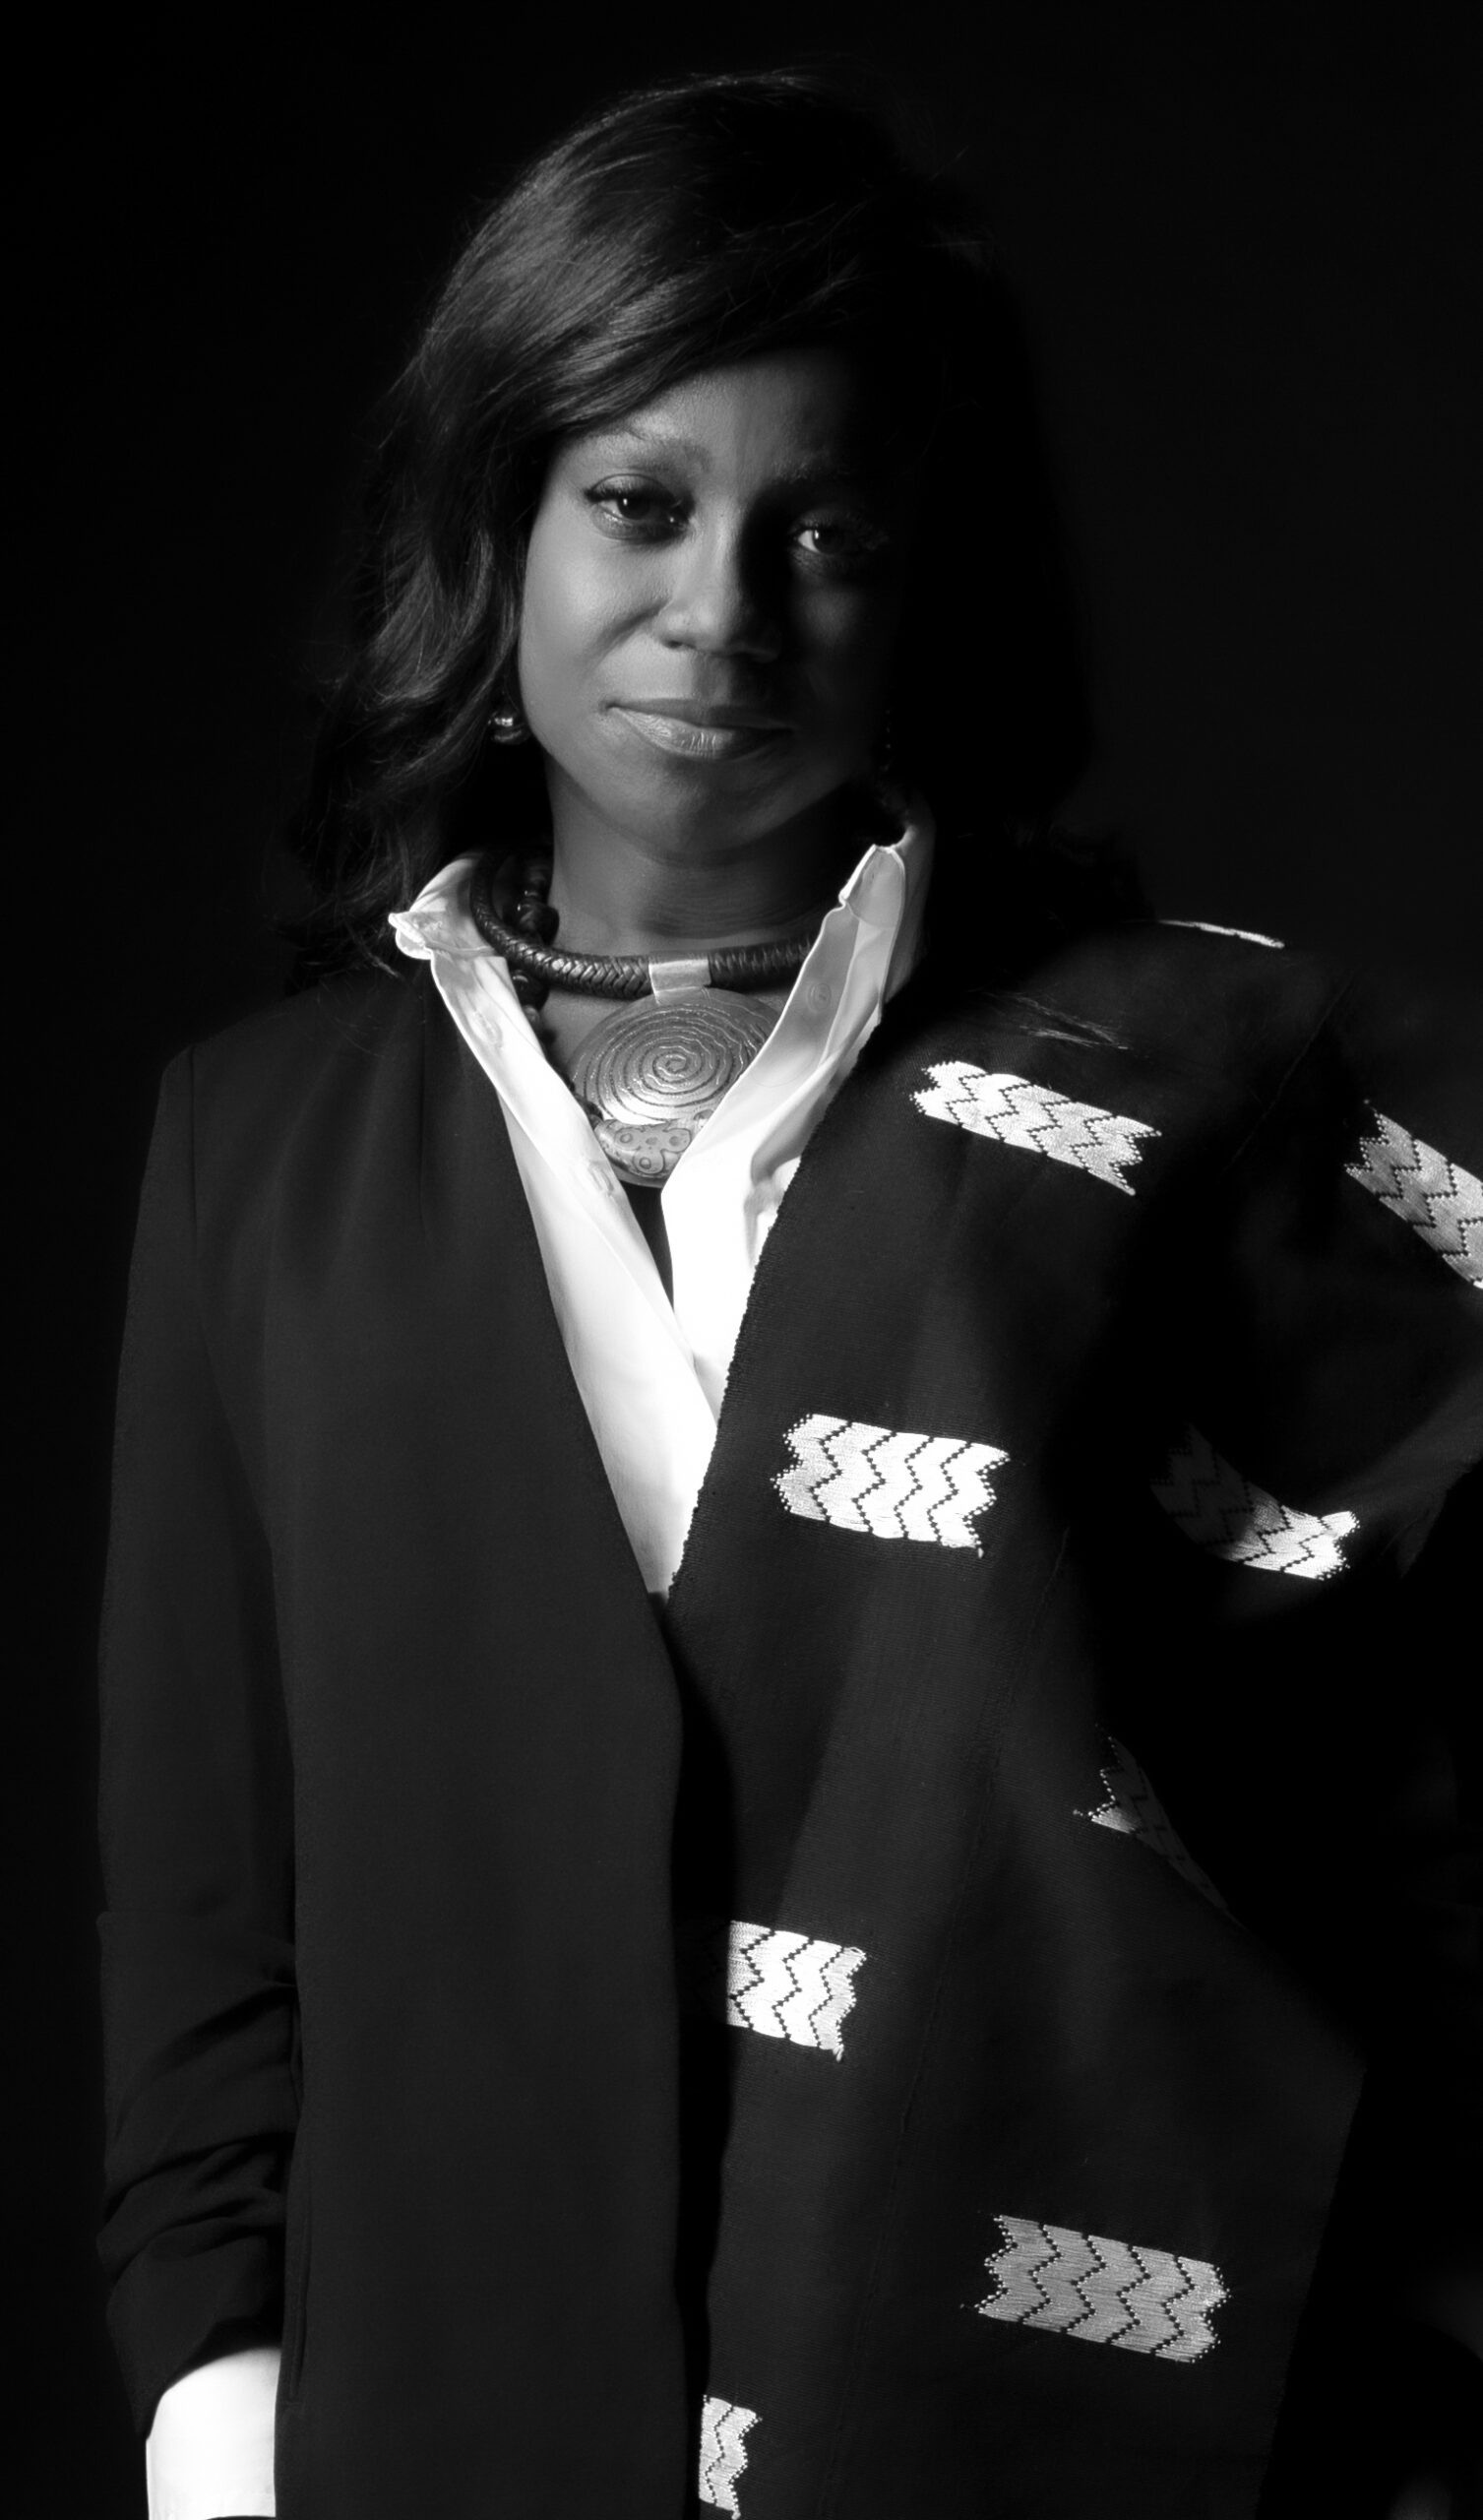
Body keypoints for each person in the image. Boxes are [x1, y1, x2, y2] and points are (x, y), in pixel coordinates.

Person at [96, 68, 1480, 2520]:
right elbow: (211, 1908)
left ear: (925, 583)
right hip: (443, 2432)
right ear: (495, 522)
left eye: (822, 529)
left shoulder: (1188, 1078)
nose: (720, 610)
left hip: (1034, 2433)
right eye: (638, 503)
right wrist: (223, 2432)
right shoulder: (257, 1149)